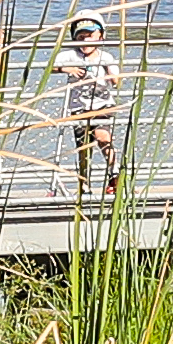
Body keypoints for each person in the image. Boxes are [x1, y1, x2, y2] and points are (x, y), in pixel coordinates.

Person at [58, 10, 128, 201]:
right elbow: (51, 66)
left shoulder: (105, 57)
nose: (85, 41)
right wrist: (66, 68)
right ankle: (84, 184)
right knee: (83, 147)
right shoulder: (71, 55)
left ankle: (115, 175)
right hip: (79, 108)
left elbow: (116, 79)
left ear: (100, 36)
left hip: (102, 106)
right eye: (80, 37)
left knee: (103, 136)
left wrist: (109, 75)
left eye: (90, 36)